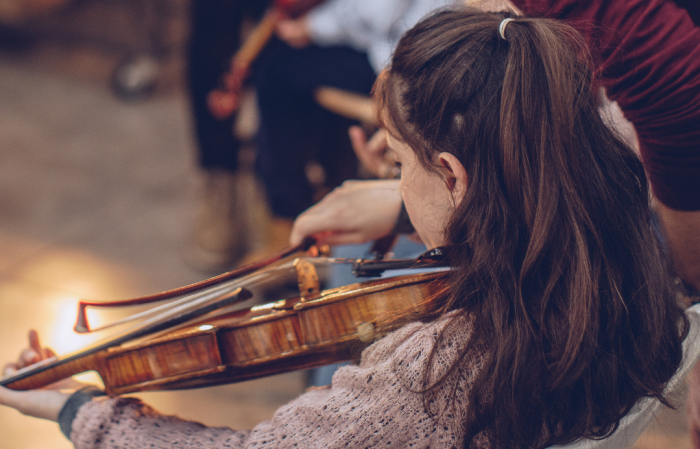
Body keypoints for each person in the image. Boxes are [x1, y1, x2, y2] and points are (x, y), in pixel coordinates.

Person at [0, 8, 690, 448]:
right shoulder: (627, 241)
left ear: (452, 176)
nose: (390, 175)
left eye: (395, 160)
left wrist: (81, 412)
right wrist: (399, 201)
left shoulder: (433, 378)